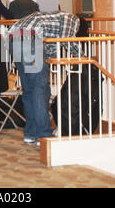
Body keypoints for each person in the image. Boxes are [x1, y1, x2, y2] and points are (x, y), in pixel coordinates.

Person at [8, 11, 81, 146]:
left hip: (14, 39)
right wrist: (82, 57)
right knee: (40, 90)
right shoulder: (71, 18)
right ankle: (43, 134)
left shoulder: (51, 18)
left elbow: (51, 47)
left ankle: (31, 133)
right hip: (30, 40)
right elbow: (67, 39)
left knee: (29, 90)